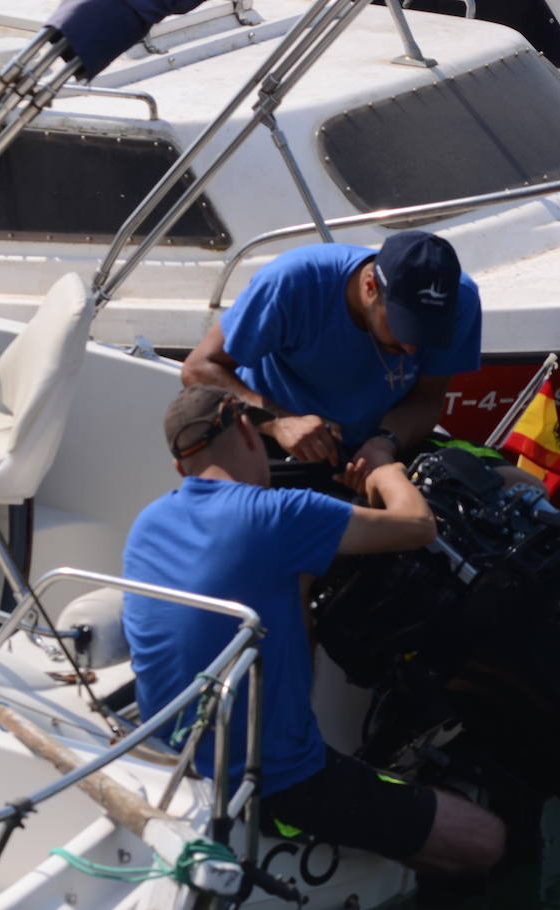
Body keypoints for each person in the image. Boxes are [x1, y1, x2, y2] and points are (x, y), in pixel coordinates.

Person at [121, 384, 506, 875]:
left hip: (173, 755)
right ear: (246, 428)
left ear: (180, 468)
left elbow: (285, 579)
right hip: (276, 781)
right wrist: (387, 468)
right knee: (487, 839)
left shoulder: (147, 523)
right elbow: (416, 525)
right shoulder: (280, 515)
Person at [181, 231, 484, 480]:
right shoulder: (293, 282)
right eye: (404, 328)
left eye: (427, 333)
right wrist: (280, 422)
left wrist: (385, 443)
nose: (412, 349)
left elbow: (428, 398)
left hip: (381, 447)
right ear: (370, 287)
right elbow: (198, 369)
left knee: (505, 489)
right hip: (274, 440)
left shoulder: (463, 301)